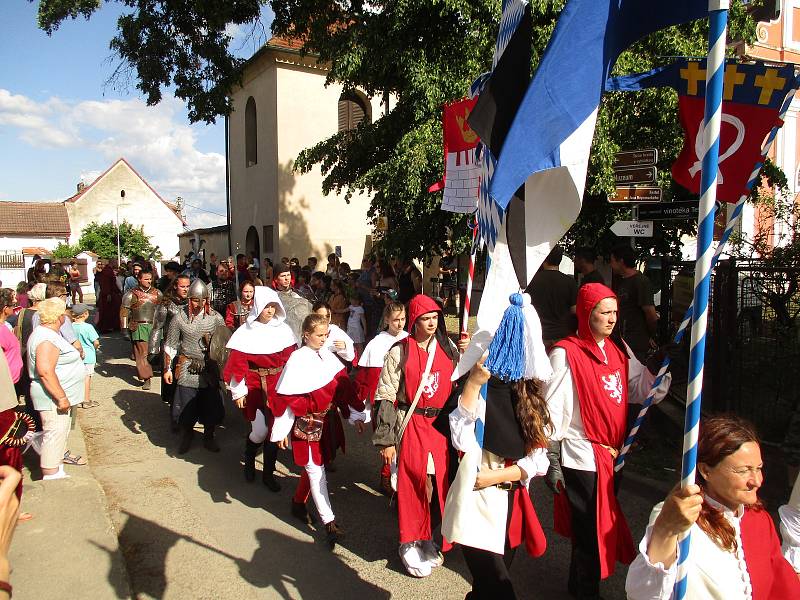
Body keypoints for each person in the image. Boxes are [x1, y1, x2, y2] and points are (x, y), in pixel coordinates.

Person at [544, 283, 671, 599]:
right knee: (589, 528)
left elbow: (642, 390)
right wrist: (551, 453)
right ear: (588, 313)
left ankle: (579, 585)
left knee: (598, 525)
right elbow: (553, 405)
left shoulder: (618, 350)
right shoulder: (565, 352)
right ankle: (587, 592)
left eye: (615, 312)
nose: (612, 319)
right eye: (605, 312)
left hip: (613, 455)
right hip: (581, 454)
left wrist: (661, 363)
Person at [626, 415, 800, 599]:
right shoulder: (678, 518)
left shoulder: (760, 520)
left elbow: (782, 586)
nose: (757, 481)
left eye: (758, 468)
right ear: (706, 470)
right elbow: (643, 594)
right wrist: (665, 530)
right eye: (743, 471)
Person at [443, 350, 552, 599]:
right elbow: (461, 440)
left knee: (485, 587)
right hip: (476, 502)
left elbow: (539, 460)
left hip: (509, 503)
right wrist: (472, 382)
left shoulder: (529, 394)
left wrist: (497, 476)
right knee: (499, 586)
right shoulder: (479, 387)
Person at [372, 294, 459, 577]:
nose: (432, 323)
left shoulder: (448, 347)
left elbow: (462, 383)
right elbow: (385, 393)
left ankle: (428, 536)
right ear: (415, 320)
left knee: (440, 485)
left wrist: (468, 356)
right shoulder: (401, 351)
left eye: (435, 317)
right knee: (413, 483)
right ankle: (409, 541)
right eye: (426, 318)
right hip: (412, 424)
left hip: (441, 426)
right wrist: (385, 440)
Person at [270, 313, 368, 549]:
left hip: (327, 421)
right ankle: (329, 522)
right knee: (316, 471)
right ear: (306, 335)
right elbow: (286, 397)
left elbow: (342, 389)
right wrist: (281, 430)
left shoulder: (327, 357)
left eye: (326, 335)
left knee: (317, 467)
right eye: (319, 335)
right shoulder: (296, 359)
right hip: (307, 423)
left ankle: (297, 503)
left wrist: (355, 414)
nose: (324, 339)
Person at [224, 287, 296, 490]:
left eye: (273, 306)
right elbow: (237, 363)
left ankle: (268, 474)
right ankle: (249, 456)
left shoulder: (284, 330)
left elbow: (293, 359)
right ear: (258, 307)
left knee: (275, 430)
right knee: (260, 431)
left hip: (278, 386)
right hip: (256, 384)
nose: (271, 311)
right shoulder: (246, 332)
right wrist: (238, 390)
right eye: (266, 307)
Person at [163, 279, 226, 454]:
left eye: (203, 299)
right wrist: (167, 369)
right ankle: (187, 435)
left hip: (208, 367)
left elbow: (223, 344)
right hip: (187, 366)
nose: (200, 303)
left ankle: (209, 436)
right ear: (189, 299)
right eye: (196, 300)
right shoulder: (180, 318)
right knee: (185, 407)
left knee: (211, 405)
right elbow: (171, 345)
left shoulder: (215, 318)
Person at [27, 298, 85, 480]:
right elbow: (45, 371)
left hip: (56, 394)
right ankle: (51, 474)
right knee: (54, 432)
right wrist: (61, 397)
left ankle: (56, 468)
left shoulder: (47, 334)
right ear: (59, 316)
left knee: (58, 431)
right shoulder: (46, 338)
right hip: (52, 397)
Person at [353, 302, 407, 494]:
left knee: (404, 444)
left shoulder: (410, 340)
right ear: (386, 320)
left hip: (405, 401)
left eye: (402, 319)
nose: (399, 324)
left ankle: (397, 479)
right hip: (384, 402)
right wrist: (360, 412)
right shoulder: (376, 344)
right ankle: (387, 476)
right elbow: (365, 380)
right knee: (388, 441)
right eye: (395, 320)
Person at [148, 274, 190, 415]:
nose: (185, 289)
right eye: (182, 286)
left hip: (188, 347)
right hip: (171, 347)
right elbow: (157, 327)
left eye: (188, 286)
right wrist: (153, 350)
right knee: (172, 383)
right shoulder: (166, 304)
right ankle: (174, 412)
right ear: (175, 286)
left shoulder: (192, 303)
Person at [610, 244, 658, 362]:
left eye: (612, 261)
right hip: (623, 341)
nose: (611, 265)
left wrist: (652, 335)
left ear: (620, 261)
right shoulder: (622, 281)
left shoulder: (640, 282)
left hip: (636, 344)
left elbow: (650, 314)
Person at [524, 246, 577, 350]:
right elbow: (575, 310)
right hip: (563, 336)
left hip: (538, 335)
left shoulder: (531, 281)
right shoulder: (570, 282)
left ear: (544, 259)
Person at [120, 270, 161, 390]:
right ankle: (146, 377)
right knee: (142, 354)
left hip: (154, 326)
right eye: (146, 279)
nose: (149, 281)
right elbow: (124, 312)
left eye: (150, 279)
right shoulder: (131, 294)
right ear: (139, 279)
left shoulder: (157, 293)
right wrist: (124, 329)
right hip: (139, 327)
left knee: (155, 353)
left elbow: (163, 311)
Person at [70, 304, 100, 410]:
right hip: (88, 356)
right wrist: (96, 348)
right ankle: (86, 400)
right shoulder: (88, 327)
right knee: (87, 377)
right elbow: (95, 342)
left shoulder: (70, 326)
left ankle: (76, 399)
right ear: (85, 314)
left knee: (77, 378)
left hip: (75, 356)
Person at [272, 264, 312, 343]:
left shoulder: (299, 293)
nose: (287, 278)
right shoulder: (273, 297)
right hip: (285, 337)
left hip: (305, 334)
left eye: (288, 275)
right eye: (283, 276)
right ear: (276, 279)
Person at [0, 291, 21, 386]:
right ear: (5, 309)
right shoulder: (1, 330)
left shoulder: (4, 327)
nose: (15, 306)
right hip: (5, 384)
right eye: (13, 304)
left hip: (11, 382)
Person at [96, 261, 122, 333]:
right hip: (108, 294)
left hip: (110, 293)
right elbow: (106, 284)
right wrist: (108, 294)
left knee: (114, 310)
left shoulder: (107, 271)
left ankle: (114, 326)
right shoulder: (107, 271)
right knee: (107, 311)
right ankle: (105, 327)